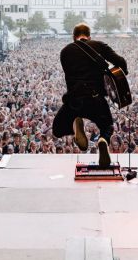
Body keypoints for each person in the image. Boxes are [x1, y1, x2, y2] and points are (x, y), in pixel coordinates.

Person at [52, 23, 128, 167]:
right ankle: (103, 141)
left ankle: (75, 125)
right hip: (95, 98)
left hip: (74, 100)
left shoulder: (65, 52)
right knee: (107, 126)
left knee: (57, 129)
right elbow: (121, 62)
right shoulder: (99, 45)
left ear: (73, 38)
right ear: (89, 36)